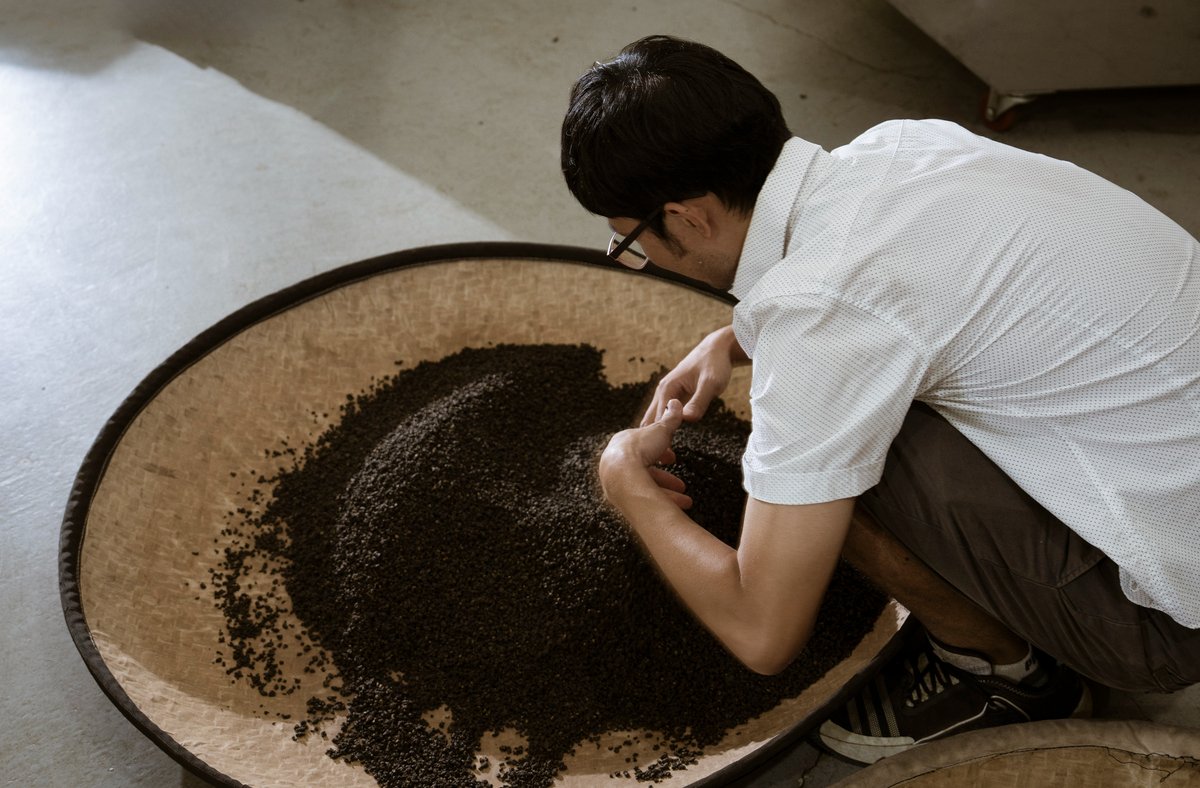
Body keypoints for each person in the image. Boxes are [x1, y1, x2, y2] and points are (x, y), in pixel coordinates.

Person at [560, 34, 1200, 765]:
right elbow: (897, 284)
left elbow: (762, 633)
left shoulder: (820, 317)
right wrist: (735, 336)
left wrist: (624, 484)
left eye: (631, 241)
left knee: (830, 460)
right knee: (849, 403)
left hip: (1169, 620)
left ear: (691, 217)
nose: (634, 258)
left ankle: (1005, 677)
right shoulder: (905, 146)